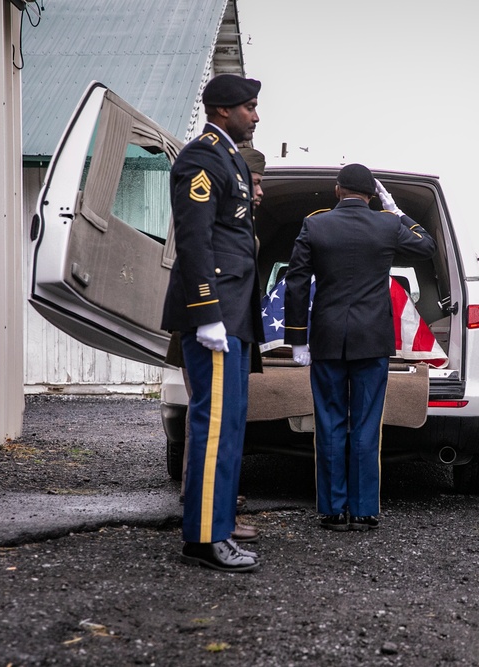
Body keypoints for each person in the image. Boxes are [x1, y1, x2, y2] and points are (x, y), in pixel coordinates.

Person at [283, 164, 436, 532]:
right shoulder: (387, 224)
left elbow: (297, 280)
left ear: (337, 191)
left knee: (330, 422)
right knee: (366, 424)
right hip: (372, 340)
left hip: (327, 338)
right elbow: (427, 246)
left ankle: (333, 510)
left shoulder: (315, 224)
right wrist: (396, 210)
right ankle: (365, 509)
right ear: (372, 195)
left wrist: (298, 338)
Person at [161, 73, 264, 572]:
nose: (256, 116)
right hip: (216, 314)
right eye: (249, 107)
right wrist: (206, 314)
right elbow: (195, 239)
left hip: (233, 315)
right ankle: (204, 537)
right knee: (214, 426)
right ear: (223, 111)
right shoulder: (203, 157)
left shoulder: (228, 158)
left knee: (230, 429)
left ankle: (217, 528)